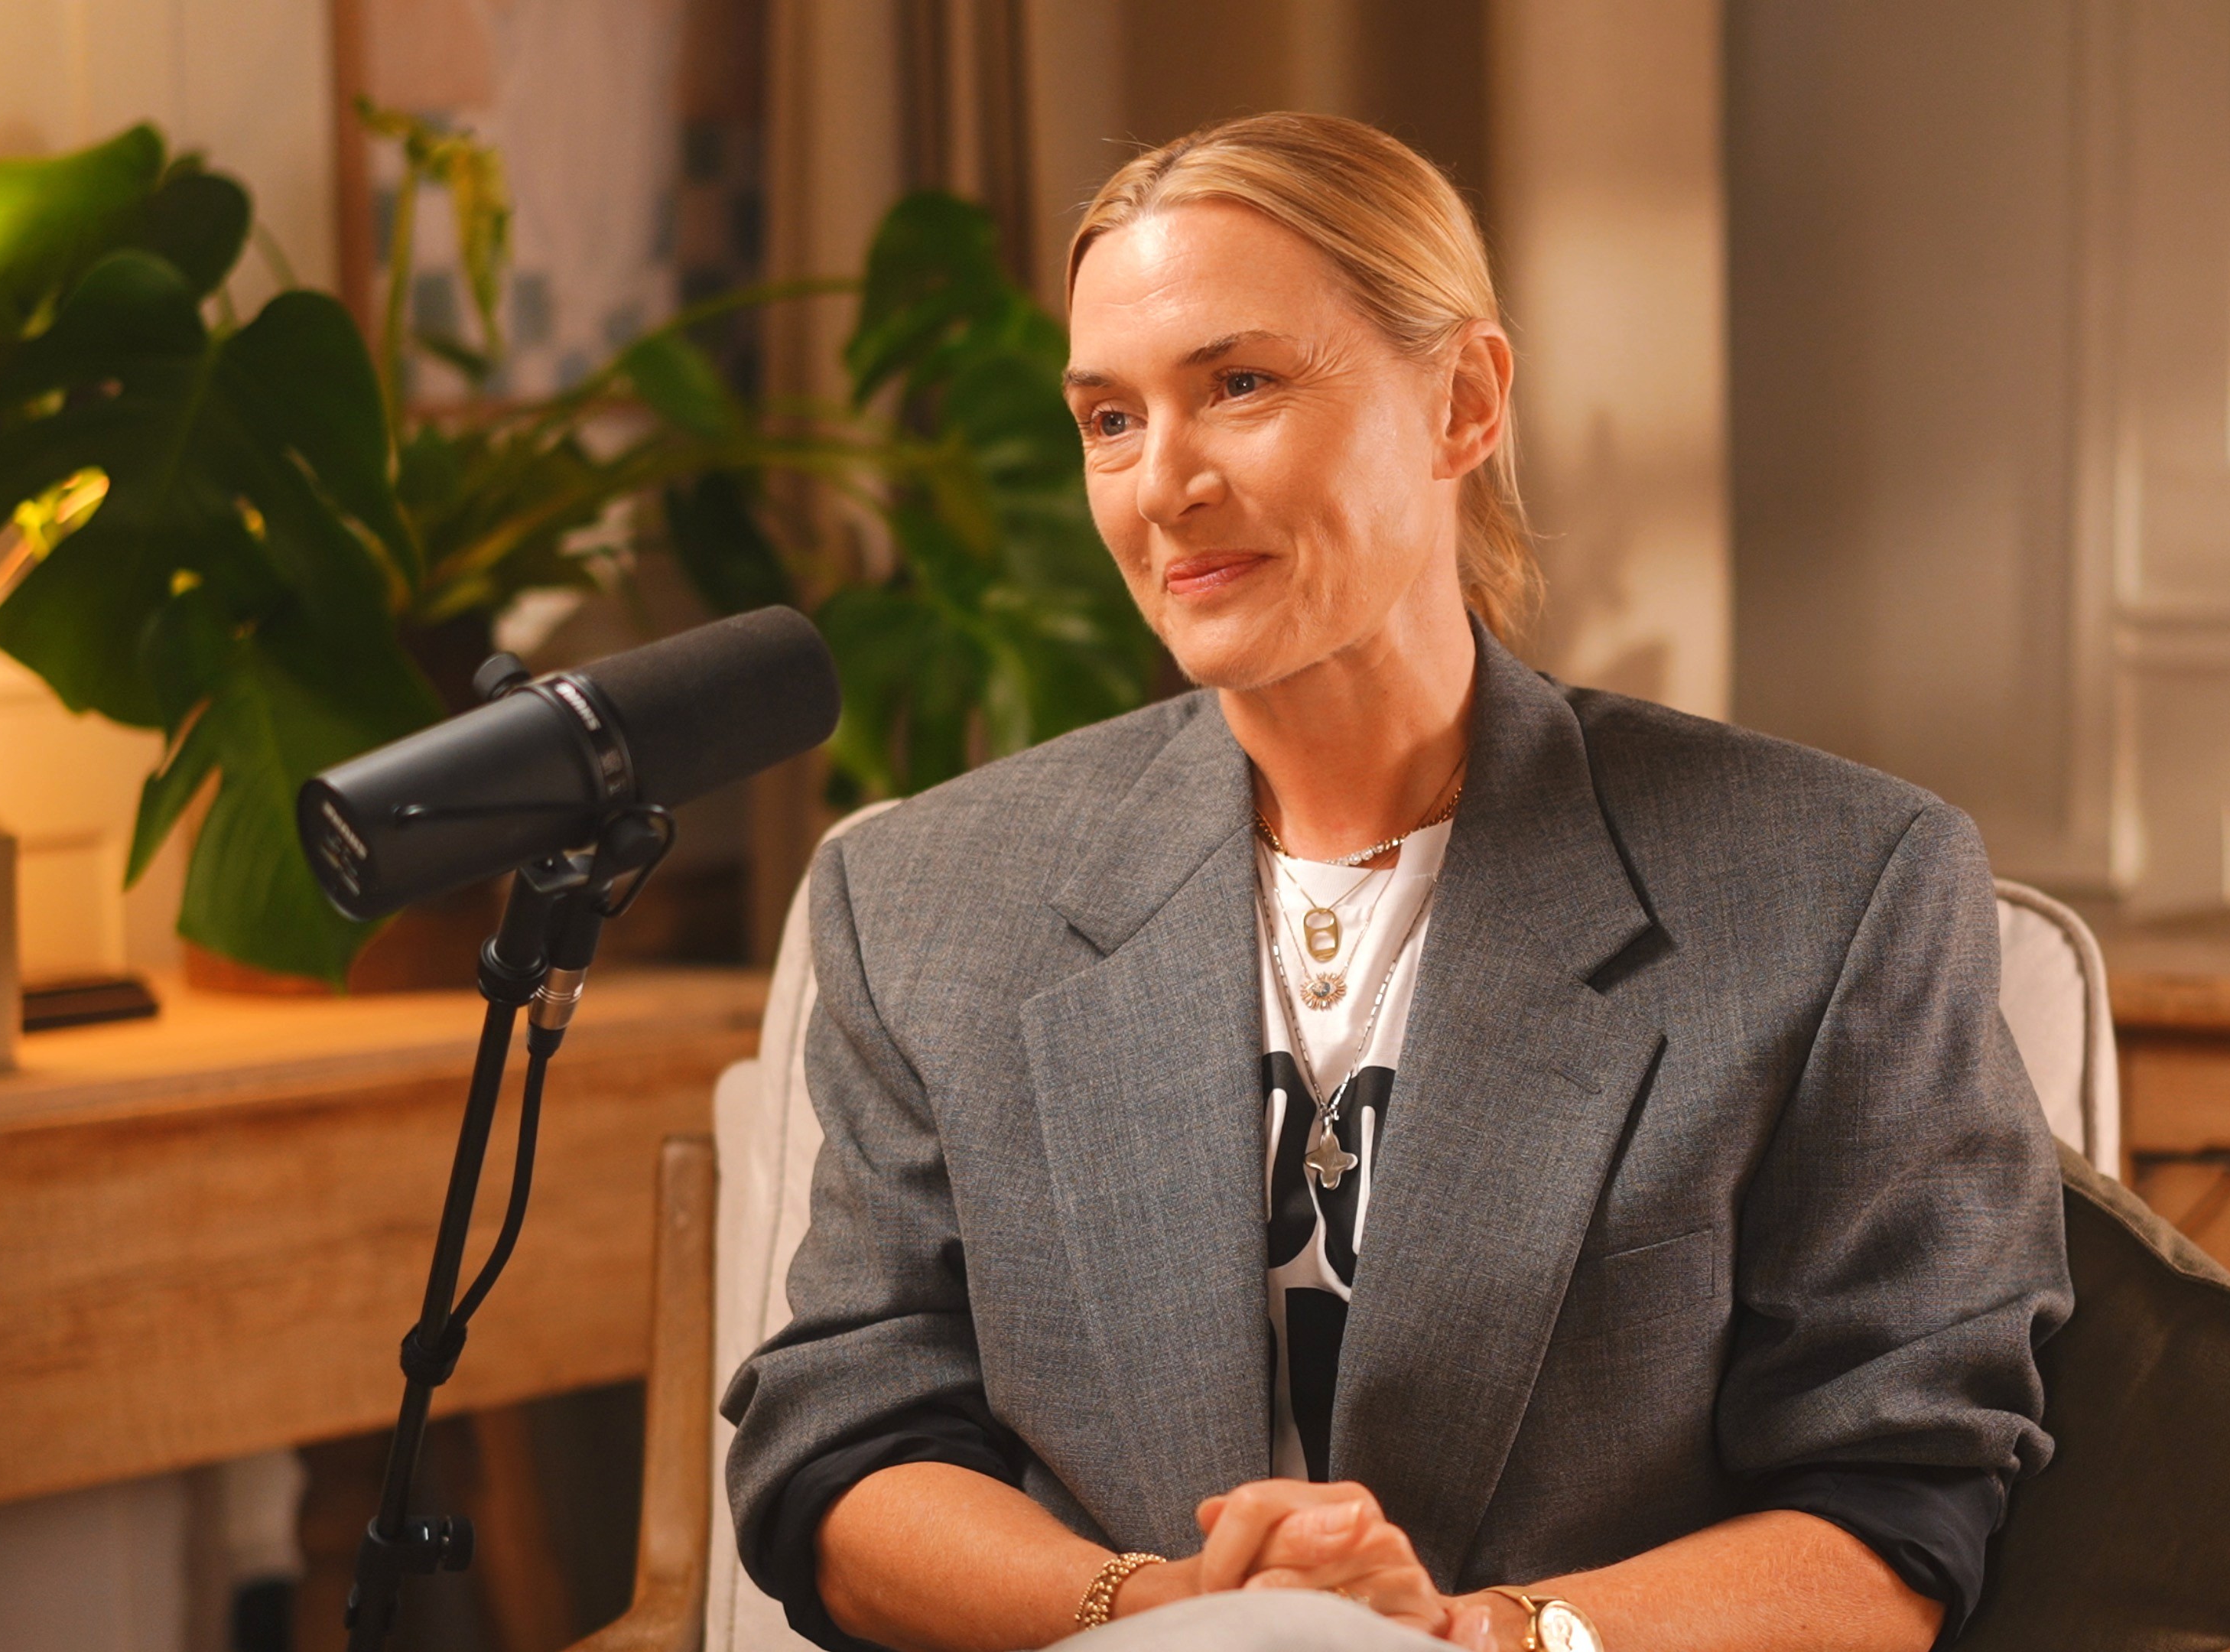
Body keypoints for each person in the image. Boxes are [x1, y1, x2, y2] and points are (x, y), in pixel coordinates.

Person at [723, 112, 2070, 1652]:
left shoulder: (1837, 891)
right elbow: (844, 1447)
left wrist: (1474, 1640)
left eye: (1240, 387)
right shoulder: (925, 897)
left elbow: (1902, 1503)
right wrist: (1170, 1617)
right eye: (1108, 419)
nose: (1161, 485)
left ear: (1465, 401)